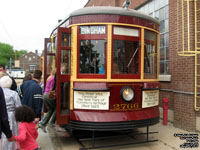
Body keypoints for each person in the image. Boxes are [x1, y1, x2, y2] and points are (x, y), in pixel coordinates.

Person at [0, 76, 22, 150]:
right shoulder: (14, 94)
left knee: (3, 135)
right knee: (11, 133)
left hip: (2, 114)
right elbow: (19, 107)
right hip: (11, 115)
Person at [40, 68, 56, 133]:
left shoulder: (50, 77)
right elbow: (52, 87)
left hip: (45, 94)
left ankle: (43, 124)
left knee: (51, 110)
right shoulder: (53, 78)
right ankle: (52, 122)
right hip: (48, 95)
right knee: (57, 108)